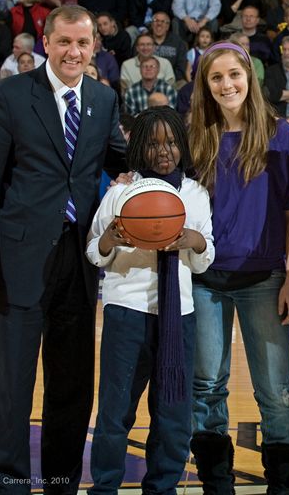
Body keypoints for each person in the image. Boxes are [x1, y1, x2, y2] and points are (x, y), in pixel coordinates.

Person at [0, 5, 128, 492]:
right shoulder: (10, 95)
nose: (74, 51)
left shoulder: (102, 98)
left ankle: (61, 480)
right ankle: (9, 483)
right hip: (19, 261)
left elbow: (122, 161)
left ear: (93, 45)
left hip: (79, 261)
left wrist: (175, 170)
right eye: (64, 42)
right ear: (46, 43)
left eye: (83, 43)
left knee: (72, 385)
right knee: (12, 384)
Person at [187, 41, 289, 493]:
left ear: (249, 78)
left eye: (233, 75)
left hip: (265, 279)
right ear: (206, 85)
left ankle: (283, 485)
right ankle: (216, 482)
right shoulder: (194, 136)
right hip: (204, 280)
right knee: (207, 387)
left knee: (274, 391)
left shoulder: (281, 133)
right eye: (216, 78)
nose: (226, 84)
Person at [87, 106, 214, 494]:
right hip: (127, 312)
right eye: (155, 143)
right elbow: (95, 248)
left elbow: (205, 258)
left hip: (179, 315)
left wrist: (196, 242)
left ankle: (162, 487)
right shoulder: (120, 192)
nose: (165, 151)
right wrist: (111, 239)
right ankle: (105, 486)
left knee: (173, 414)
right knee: (115, 410)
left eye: (172, 142)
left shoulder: (195, 194)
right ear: (140, 147)